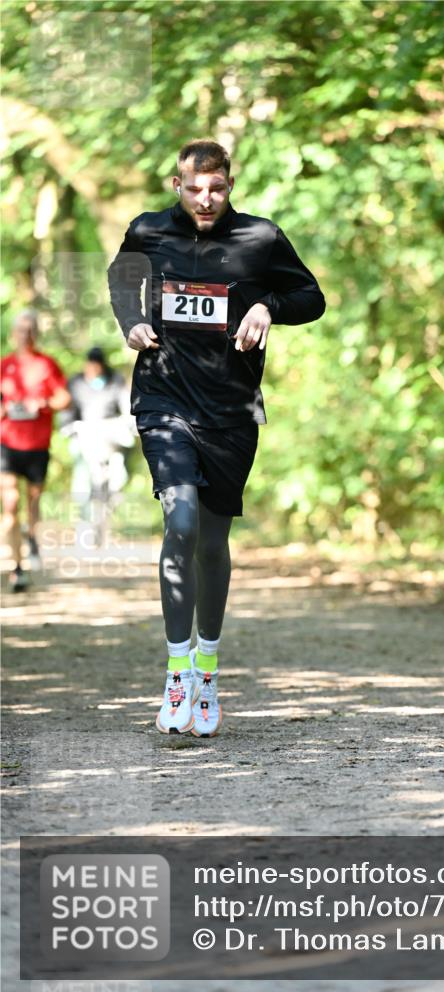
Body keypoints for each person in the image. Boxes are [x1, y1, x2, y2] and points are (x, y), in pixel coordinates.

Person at [107, 138, 325, 737]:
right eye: (194, 187)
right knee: (180, 523)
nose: (206, 198)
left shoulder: (261, 239)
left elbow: (313, 297)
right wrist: (133, 323)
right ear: (176, 185)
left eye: (217, 188)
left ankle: (207, 669)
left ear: (230, 185)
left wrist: (268, 309)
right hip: (164, 397)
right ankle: (176, 671)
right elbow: (122, 278)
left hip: (231, 410)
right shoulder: (148, 231)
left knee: (211, 542)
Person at [0, 310, 71, 592]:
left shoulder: (47, 365)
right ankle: (17, 568)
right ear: (13, 334)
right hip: (7, 442)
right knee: (10, 504)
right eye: (20, 330)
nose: (25, 335)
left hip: (37, 445)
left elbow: (64, 399)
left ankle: (32, 537)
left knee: (32, 503)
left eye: (30, 330)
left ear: (35, 334)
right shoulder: (5, 365)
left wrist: (42, 404)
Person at [62, 346, 134, 544]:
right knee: (83, 481)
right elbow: (67, 412)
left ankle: (105, 516)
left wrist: (126, 424)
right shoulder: (76, 382)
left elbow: (126, 407)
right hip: (83, 438)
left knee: (119, 478)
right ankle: (84, 527)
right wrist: (69, 427)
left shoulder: (115, 381)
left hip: (111, 439)